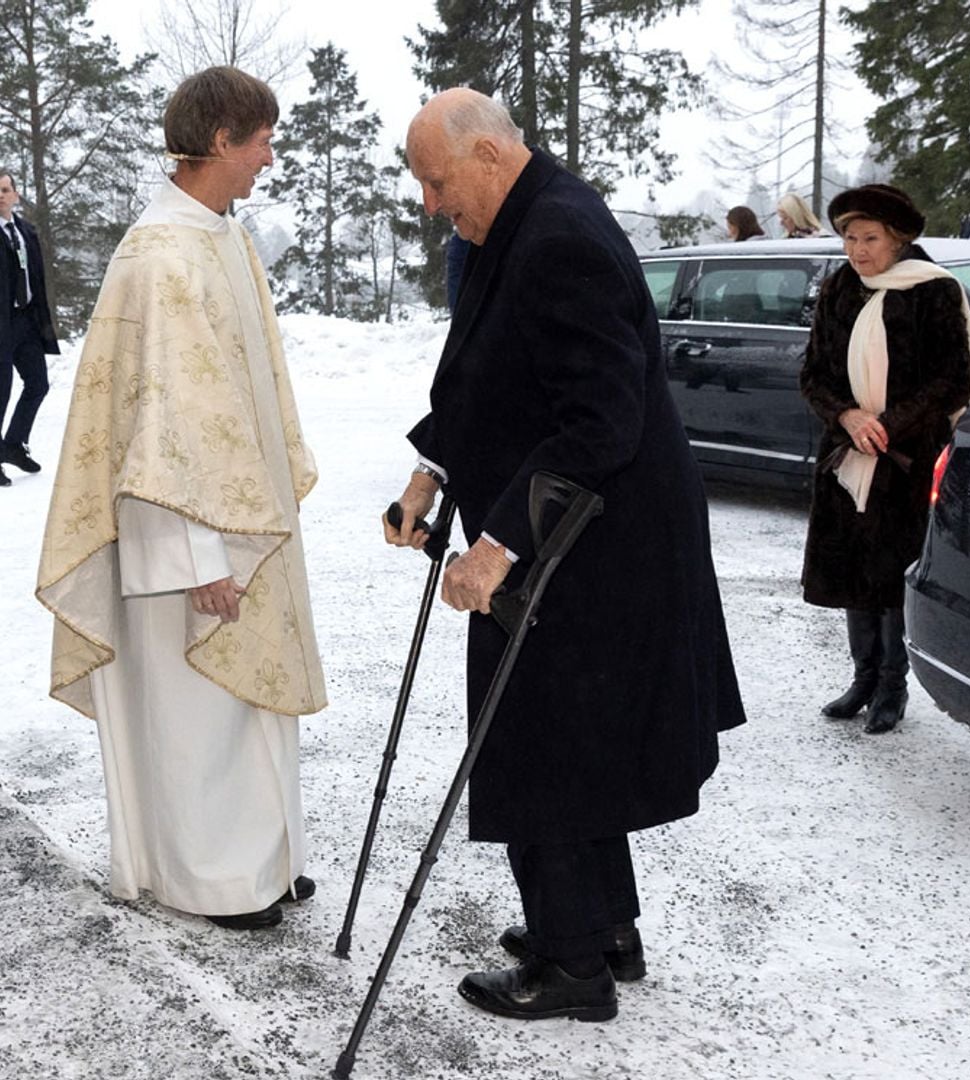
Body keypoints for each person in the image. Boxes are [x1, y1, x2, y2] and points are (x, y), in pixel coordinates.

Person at [388, 88, 746, 1022]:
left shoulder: (558, 242)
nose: (432, 205)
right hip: (580, 533)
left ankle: (571, 965)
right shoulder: (520, 222)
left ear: (489, 157)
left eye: (436, 182)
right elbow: (491, 374)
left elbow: (599, 422)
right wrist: (430, 473)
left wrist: (496, 546)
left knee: (539, 742)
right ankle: (602, 926)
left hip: (589, 545)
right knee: (578, 745)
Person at [36, 67, 326, 930]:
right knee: (197, 712)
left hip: (240, 522)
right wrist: (196, 558)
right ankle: (208, 878)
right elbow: (157, 433)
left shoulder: (220, 238)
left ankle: (264, 863)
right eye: (263, 140)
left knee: (245, 707)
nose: (270, 158)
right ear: (221, 141)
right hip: (187, 544)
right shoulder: (160, 257)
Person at [800, 184, 970, 734]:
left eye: (870, 238)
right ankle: (862, 677)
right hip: (848, 453)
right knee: (854, 570)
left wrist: (889, 424)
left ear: (898, 239)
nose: (858, 250)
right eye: (850, 238)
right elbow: (813, 374)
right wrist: (848, 417)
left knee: (891, 572)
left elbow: (951, 380)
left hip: (905, 456)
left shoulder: (932, 291)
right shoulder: (839, 289)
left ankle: (892, 688)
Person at [0, 169, 59, 488]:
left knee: (38, 384)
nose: (1, 195)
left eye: (6, 189)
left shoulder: (26, 231)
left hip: (26, 321)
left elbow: (35, 275)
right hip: (1, 323)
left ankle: (12, 445)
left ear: (15, 194)